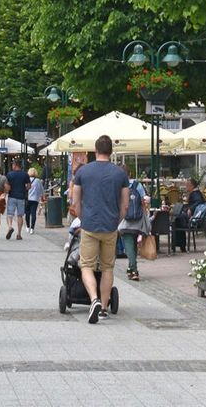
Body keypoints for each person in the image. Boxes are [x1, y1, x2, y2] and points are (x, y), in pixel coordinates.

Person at [71, 134, 130, 324]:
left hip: (89, 225)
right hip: (110, 227)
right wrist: (116, 220)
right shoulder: (120, 174)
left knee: (86, 265)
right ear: (111, 152)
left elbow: (75, 201)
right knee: (107, 267)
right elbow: (125, 205)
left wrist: (82, 218)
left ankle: (94, 299)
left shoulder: (83, 172)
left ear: (95, 150)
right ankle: (104, 308)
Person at [119, 175, 150, 282]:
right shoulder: (138, 185)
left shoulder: (119, 184)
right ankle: (131, 268)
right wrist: (145, 214)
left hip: (125, 220)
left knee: (128, 246)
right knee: (133, 245)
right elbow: (143, 201)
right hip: (137, 220)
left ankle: (134, 269)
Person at [5, 159, 32, 239]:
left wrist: (7, 190)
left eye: (13, 164)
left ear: (15, 165)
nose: (12, 166)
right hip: (21, 197)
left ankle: (10, 226)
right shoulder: (25, 175)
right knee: (20, 215)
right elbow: (29, 186)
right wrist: (24, 189)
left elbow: (7, 186)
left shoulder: (9, 174)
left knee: (10, 214)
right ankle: (19, 234)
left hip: (12, 196)